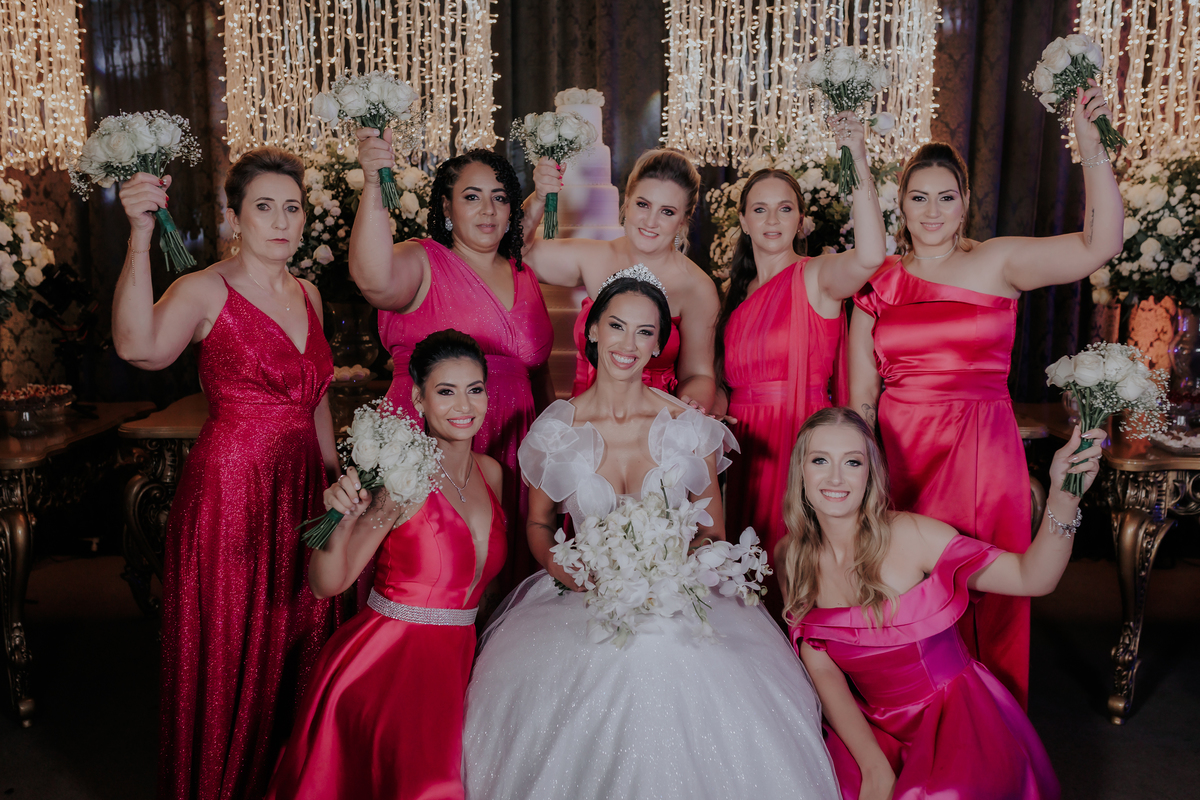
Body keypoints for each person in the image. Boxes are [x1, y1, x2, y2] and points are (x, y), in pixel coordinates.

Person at [461, 275, 840, 800]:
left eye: (645, 332)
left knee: (659, 653)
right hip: (584, 593)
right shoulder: (555, 431)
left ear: (659, 343)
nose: (628, 344)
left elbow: (712, 532)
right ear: (593, 330)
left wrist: (673, 574)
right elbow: (539, 524)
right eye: (617, 326)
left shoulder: (690, 427)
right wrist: (561, 567)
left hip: (675, 592)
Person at [848, 80, 1124, 706]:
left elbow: (1100, 244)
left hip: (982, 454)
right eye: (919, 197)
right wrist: (865, 481)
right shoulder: (878, 283)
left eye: (946, 197)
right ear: (900, 203)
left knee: (987, 593)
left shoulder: (998, 262)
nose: (933, 212)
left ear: (965, 202)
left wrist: (1090, 143)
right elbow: (861, 398)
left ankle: (989, 728)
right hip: (900, 456)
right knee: (907, 594)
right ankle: (915, 719)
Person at [113, 148, 344, 800]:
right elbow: (137, 346)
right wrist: (139, 237)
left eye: (292, 207)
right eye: (264, 207)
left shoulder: (309, 294)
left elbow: (316, 400)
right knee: (233, 645)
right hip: (231, 498)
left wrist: (334, 487)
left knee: (298, 640)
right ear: (235, 217)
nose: (281, 221)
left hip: (304, 492)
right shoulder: (205, 289)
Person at [780, 407, 1103, 800]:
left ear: (870, 473)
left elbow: (1032, 578)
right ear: (801, 470)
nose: (835, 478)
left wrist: (1063, 498)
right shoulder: (790, 555)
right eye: (820, 460)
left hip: (957, 719)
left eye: (852, 462)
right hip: (869, 727)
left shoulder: (912, 535)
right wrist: (873, 766)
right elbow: (821, 668)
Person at [267, 330, 506, 799]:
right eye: (445, 391)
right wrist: (340, 523)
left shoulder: (492, 472)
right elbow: (327, 584)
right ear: (418, 399)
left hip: (460, 663)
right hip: (391, 665)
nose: (464, 405)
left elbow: (486, 589)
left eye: (474, 389)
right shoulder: (403, 478)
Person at [350, 133, 553, 595]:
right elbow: (372, 279)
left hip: (515, 444)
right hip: (430, 439)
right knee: (430, 578)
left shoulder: (523, 271)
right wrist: (373, 183)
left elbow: (539, 375)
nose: (488, 210)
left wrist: (553, 450)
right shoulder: (423, 259)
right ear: (446, 206)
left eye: (499, 198)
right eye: (472, 197)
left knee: (502, 581)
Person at [716, 113, 887, 603]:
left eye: (785, 209)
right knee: (746, 575)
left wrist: (857, 157)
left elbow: (871, 256)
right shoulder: (732, 292)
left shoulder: (817, 276)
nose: (772, 220)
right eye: (760, 209)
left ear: (800, 220)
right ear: (743, 221)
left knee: (795, 570)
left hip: (800, 438)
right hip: (745, 448)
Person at [522, 148, 720, 411]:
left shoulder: (697, 288)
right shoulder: (593, 257)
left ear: (683, 219)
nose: (651, 221)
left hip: (658, 423)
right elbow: (516, 251)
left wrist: (689, 411)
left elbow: (698, 375)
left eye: (667, 212)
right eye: (643, 204)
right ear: (627, 202)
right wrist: (538, 198)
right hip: (587, 420)